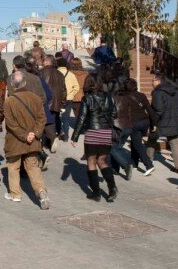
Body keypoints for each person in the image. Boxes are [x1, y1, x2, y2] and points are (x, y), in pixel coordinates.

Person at [3, 71, 50, 209]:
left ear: (12, 84)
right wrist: (34, 133)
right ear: (25, 82)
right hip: (33, 140)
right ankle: (41, 191)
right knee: (32, 166)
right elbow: (42, 118)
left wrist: (24, 135)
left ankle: (15, 194)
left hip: (15, 140)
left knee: (13, 166)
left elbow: (11, 124)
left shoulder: (9, 101)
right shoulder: (36, 98)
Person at [71, 74, 119, 202]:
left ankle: (96, 193)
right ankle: (112, 187)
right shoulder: (110, 97)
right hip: (106, 133)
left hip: (92, 132)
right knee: (102, 161)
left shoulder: (87, 98)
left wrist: (74, 137)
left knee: (91, 161)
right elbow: (115, 114)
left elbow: (81, 118)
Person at [115, 78, 157, 175]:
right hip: (145, 122)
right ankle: (134, 163)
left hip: (134, 122)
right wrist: (153, 124)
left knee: (138, 144)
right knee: (135, 141)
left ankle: (149, 165)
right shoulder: (141, 95)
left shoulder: (123, 96)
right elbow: (150, 111)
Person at [150, 74, 178, 175]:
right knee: (174, 142)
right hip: (174, 121)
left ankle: (148, 162)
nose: (152, 82)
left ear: (158, 81)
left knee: (152, 140)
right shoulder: (176, 91)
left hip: (161, 122)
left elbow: (158, 110)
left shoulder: (157, 92)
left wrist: (153, 122)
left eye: (153, 80)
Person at [39, 55, 66, 151]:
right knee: (53, 121)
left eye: (44, 61)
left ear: (46, 62)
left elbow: (39, 88)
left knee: (43, 122)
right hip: (57, 102)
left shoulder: (41, 72)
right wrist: (63, 102)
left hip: (45, 101)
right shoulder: (60, 73)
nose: (42, 62)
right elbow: (63, 89)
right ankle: (52, 140)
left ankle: (46, 141)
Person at [59, 55, 80, 140]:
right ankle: (66, 136)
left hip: (58, 99)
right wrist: (71, 94)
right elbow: (77, 87)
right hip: (69, 99)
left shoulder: (55, 73)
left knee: (57, 117)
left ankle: (60, 133)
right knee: (66, 118)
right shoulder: (71, 74)